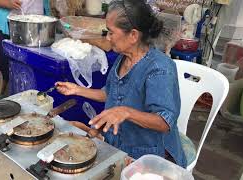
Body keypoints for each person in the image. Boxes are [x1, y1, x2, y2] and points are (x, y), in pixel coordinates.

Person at [55, 0, 187, 168]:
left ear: (133, 35)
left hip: (150, 156)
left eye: (111, 32)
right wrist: (77, 90)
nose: (107, 38)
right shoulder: (123, 58)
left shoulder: (159, 69)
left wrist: (126, 112)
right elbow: (111, 94)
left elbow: (164, 122)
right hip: (120, 144)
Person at [0, 0, 43, 95]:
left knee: (33, 62)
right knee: (4, 62)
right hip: (10, 23)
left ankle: (30, 95)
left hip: (38, 23)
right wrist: (6, 3)